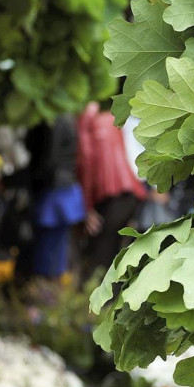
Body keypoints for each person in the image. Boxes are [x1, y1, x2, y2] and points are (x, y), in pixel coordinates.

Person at [77, 103, 146, 274]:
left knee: (102, 253)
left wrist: (87, 206)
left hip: (111, 193)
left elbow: (87, 162)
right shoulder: (111, 115)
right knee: (114, 251)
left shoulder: (87, 117)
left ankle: (96, 289)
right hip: (129, 191)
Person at [22, 113, 84, 281]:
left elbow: (50, 160)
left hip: (54, 191)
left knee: (50, 253)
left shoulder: (56, 119)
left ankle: (49, 289)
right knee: (57, 249)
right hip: (61, 188)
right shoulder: (65, 117)